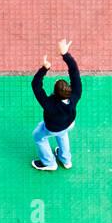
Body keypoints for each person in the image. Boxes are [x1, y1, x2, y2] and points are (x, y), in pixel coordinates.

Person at [30, 39, 81, 171]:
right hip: (68, 124)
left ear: (55, 94)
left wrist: (44, 68)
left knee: (38, 137)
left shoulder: (49, 104)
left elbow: (36, 85)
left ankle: (49, 163)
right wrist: (65, 54)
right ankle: (66, 160)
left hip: (52, 128)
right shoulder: (75, 95)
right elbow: (74, 72)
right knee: (63, 134)